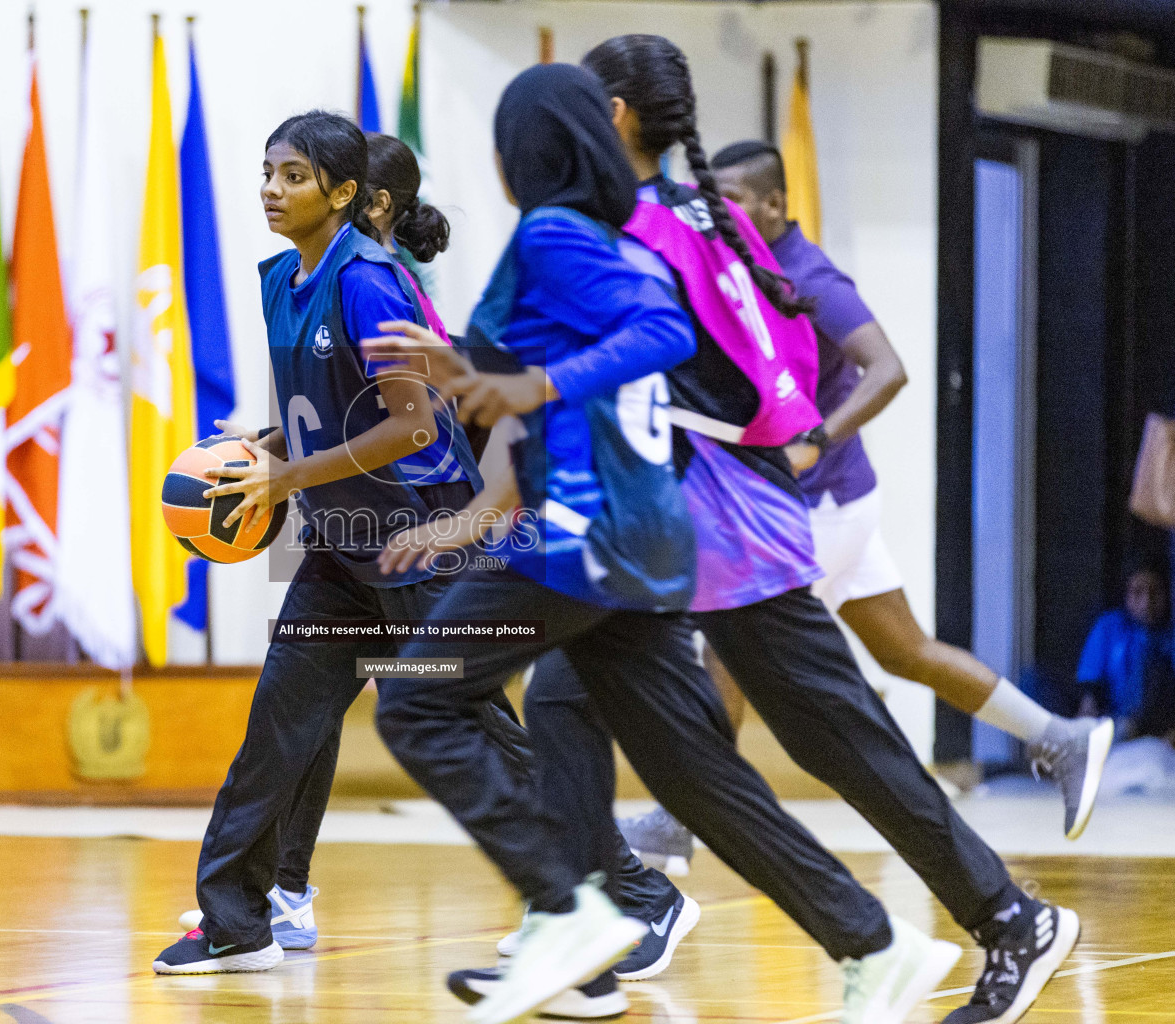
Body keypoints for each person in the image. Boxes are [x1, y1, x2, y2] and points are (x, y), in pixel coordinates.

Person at [364, 62, 960, 1024]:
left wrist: (531, 390)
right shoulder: (591, 235)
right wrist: (467, 367)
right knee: (702, 777)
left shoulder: (556, 234)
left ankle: (567, 913)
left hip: (586, 532)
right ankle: (875, 943)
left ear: (527, 149)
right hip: (640, 543)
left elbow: (660, 332)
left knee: (418, 698)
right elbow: (551, 355)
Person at [503, 34, 1079, 1024]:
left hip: (727, 529)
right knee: (576, 701)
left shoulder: (639, 230)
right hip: (709, 521)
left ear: (618, 117)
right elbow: (769, 377)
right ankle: (617, 916)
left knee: (841, 741)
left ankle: (1002, 917)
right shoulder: (700, 216)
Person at [698, 138, 1115, 839]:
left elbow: (887, 369)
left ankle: (684, 816)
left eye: (732, 198)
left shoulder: (812, 278)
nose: (719, 210)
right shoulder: (749, 269)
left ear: (775, 203)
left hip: (821, 503)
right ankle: (1059, 739)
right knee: (905, 651)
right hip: (838, 504)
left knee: (728, 641)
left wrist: (816, 442)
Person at [152, 111, 486, 975]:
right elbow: (336, 401)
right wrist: (270, 442)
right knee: (280, 723)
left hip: (419, 538)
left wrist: (289, 476)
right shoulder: (280, 277)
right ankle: (239, 918)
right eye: (268, 171)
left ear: (345, 195)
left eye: (292, 175)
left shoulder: (373, 282)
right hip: (343, 546)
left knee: (476, 727)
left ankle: (625, 895)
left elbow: (415, 426)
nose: (271, 188)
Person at [1077, 556, 1172, 739]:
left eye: (1155, 592)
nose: (1147, 602)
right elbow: (1090, 695)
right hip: (1114, 721)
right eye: (1138, 592)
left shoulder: (1170, 634)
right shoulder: (1109, 626)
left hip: (1162, 728)